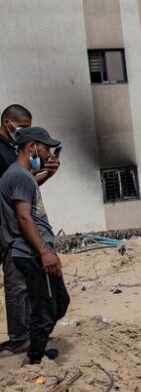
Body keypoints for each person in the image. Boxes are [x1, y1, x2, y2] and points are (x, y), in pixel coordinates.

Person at [0, 127, 69, 364]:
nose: (48, 153)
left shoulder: (21, 175)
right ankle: (34, 360)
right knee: (46, 308)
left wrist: (47, 174)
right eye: (45, 148)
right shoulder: (19, 175)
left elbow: (28, 195)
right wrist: (44, 252)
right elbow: (24, 217)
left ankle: (36, 346)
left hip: (34, 250)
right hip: (31, 251)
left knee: (59, 302)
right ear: (31, 147)